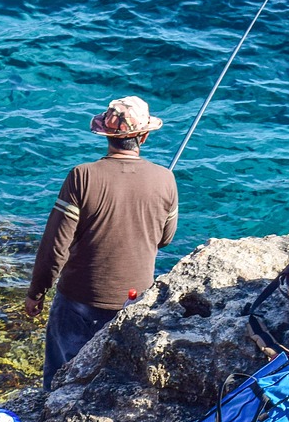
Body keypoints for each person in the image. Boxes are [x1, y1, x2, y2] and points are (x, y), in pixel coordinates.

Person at [25, 95, 178, 389]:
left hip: (78, 300)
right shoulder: (165, 179)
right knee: (112, 380)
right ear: (144, 135)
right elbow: (165, 239)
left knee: (61, 378)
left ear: (106, 134)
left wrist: (37, 291)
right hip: (134, 300)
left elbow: (55, 246)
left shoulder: (83, 176)